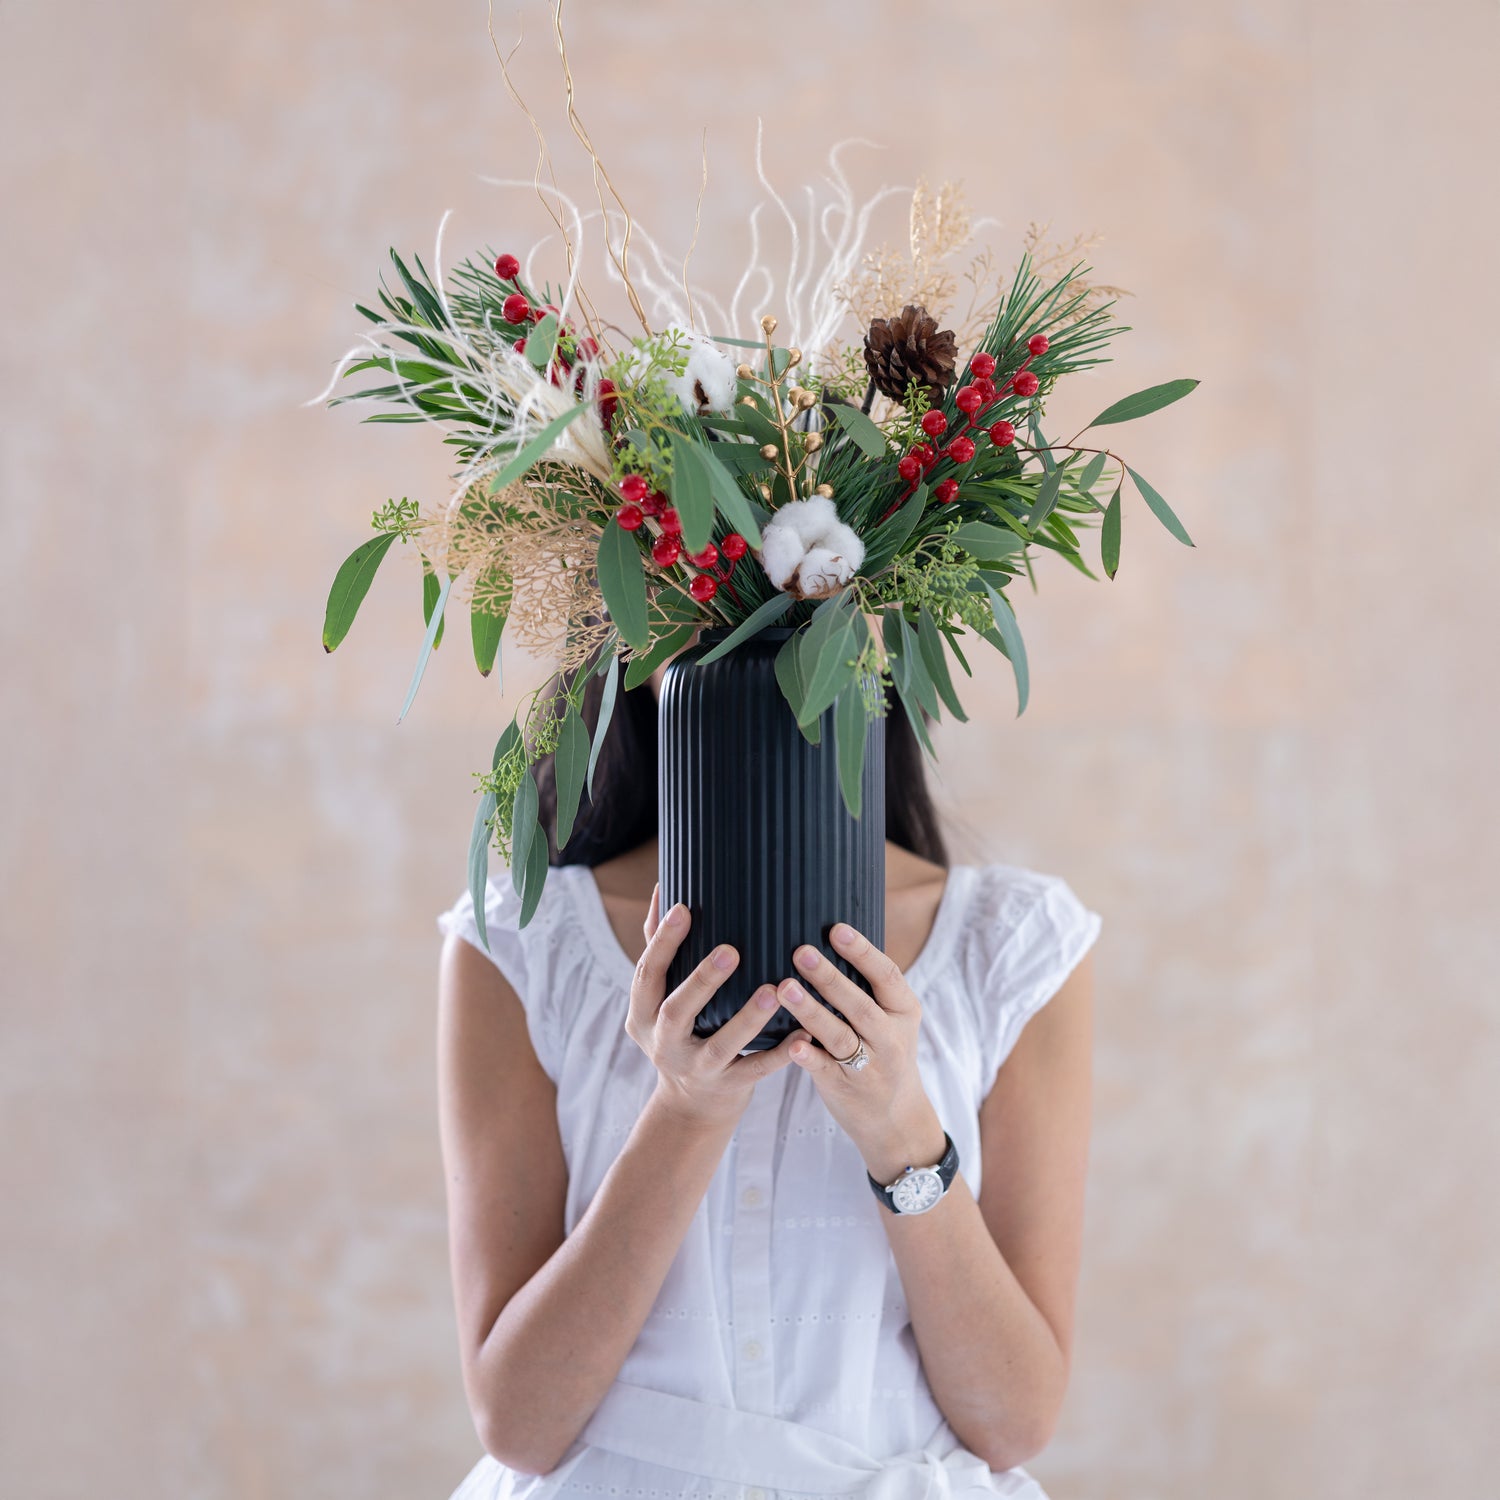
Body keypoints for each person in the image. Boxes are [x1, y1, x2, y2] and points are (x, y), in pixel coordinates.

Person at [434, 630, 1102, 1500]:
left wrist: (898, 1125)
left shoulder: (1013, 945)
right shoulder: (521, 942)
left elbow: (1012, 1419)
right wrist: (685, 1110)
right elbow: (520, 1421)